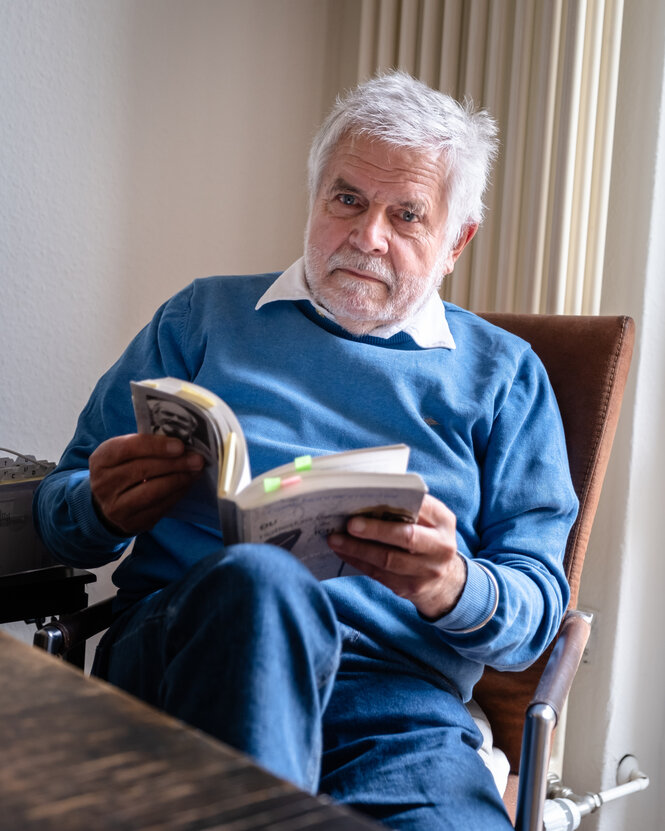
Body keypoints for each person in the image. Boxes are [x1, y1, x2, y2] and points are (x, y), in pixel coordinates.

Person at [34, 71, 578, 830]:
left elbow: (536, 611)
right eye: (347, 199)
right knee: (262, 580)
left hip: (393, 710)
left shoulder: (504, 376)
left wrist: (453, 583)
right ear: (315, 194)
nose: (366, 235)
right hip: (190, 662)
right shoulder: (201, 318)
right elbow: (55, 512)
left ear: (456, 239)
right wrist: (95, 504)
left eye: (407, 214)